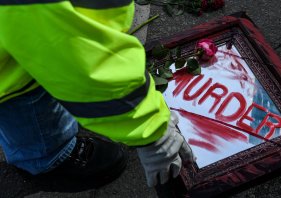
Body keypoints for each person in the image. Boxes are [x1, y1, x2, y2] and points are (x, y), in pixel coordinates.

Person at [0, 0, 193, 188]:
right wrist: (150, 127)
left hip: (20, 39)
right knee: (31, 119)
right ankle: (46, 160)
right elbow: (79, 56)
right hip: (16, 74)